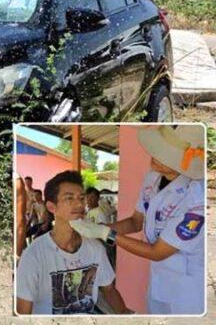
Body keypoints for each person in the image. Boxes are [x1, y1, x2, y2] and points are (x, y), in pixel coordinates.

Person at [71, 125, 206, 315]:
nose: (154, 153)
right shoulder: (152, 179)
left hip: (186, 290)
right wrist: (97, 227)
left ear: (181, 163)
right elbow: (135, 222)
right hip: (159, 280)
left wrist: (104, 234)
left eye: (164, 153)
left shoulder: (196, 197)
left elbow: (157, 252)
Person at [16, 170, 130, 315]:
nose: (79, 204)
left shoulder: (95, 248)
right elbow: (23, 312)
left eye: (82, 198)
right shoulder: (33, 255)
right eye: (69, 198)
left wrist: (125, 314)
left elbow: (108, 289)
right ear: (51, 207)